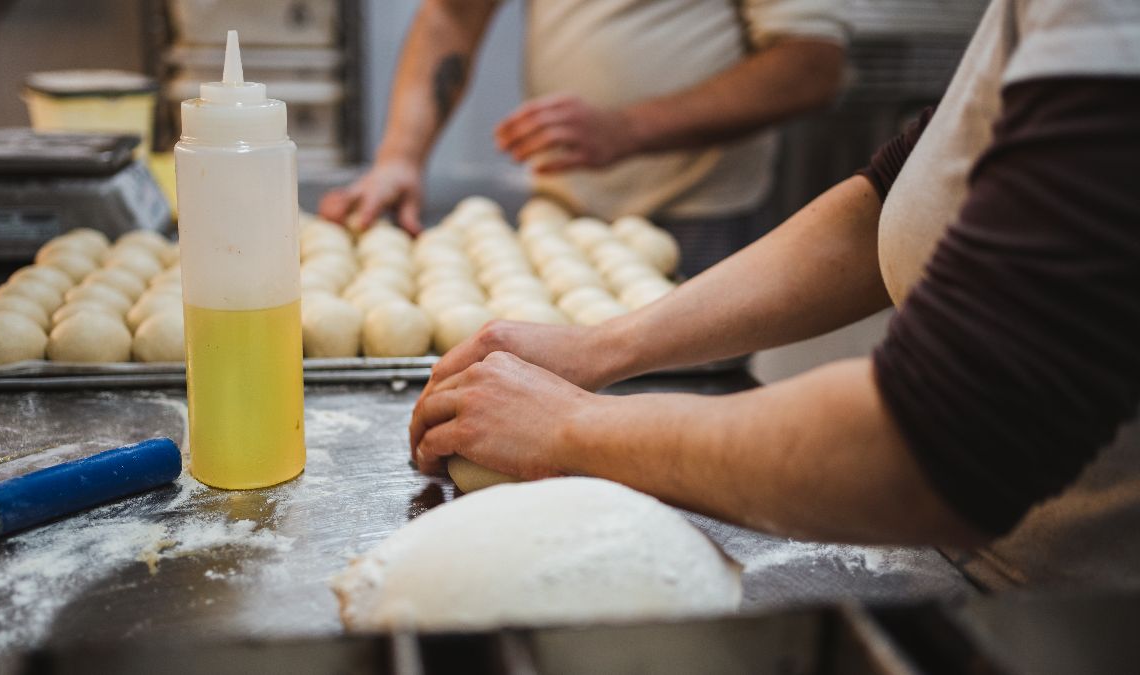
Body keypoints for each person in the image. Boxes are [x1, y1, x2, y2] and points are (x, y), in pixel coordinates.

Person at [409, 0, 1140, 587]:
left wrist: (572, 429)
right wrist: (603, 346)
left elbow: (945, 438)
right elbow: (896, 192)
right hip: (993, 571)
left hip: (1076, 615)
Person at [320, 0, 847, 276]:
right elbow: (453, 12)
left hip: (699, 221)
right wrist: (399, 157)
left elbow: (811, 66)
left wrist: (629, 128)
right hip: (560, 212)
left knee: (679, 425)